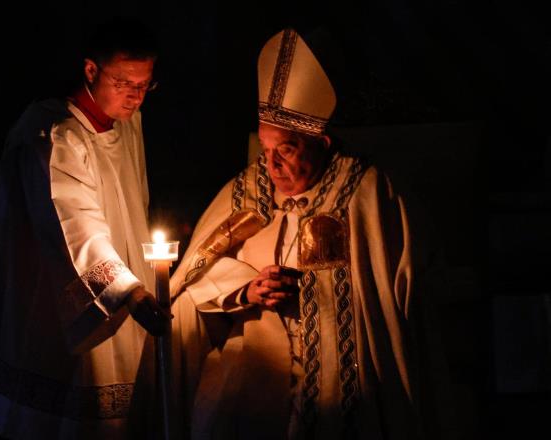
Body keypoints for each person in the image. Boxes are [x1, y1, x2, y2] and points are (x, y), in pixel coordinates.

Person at [169, 28, 453, 439]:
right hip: (254, 382)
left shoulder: (367, 193)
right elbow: (190, 283)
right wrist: (244, 290)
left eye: (285, 149)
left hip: (343, 384)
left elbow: (409, 294)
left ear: (319, 142)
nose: (272, 166)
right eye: (265, 151)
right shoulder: (247, 190)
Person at [0, 17, 169, 440]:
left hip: (127, 284)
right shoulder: (56, 135)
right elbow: (74, 226)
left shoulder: (129, 123)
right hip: (65, 299)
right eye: (124, 82)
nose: (134, 95)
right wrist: (126, 291)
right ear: (91, 71)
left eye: (144, 84)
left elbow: (132, 203)